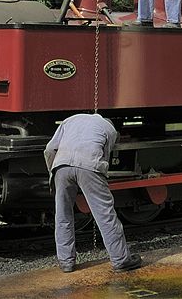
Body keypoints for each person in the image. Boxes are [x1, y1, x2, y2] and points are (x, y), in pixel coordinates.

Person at [44, 113, 142, 273]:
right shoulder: (109, 128)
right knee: (105, 214)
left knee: (62, 215)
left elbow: (49, 149)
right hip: (89, 166)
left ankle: (66, 262)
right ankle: (121, 260)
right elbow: (105, 155)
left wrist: (52, 173)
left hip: (61, 166)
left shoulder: (70, 120)